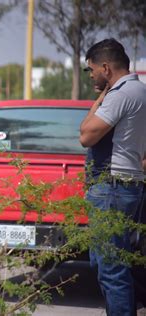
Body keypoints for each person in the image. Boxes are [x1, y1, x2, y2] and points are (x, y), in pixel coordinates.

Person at [79, 38, 146, 315]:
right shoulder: (140, 91)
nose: (91, 75)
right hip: (128, 186)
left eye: (91, 69)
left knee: (112, 270)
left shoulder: (120, 94)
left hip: (113, 189)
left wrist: (101, 97)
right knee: (111, 264)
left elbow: (86, 135)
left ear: (105, 67)